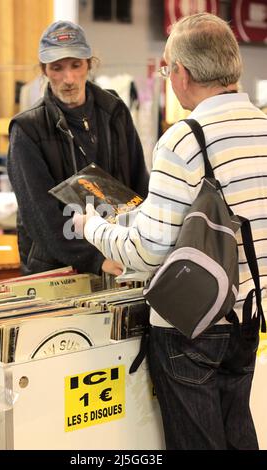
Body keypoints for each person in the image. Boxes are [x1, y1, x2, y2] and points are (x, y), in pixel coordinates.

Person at [73, 13, 267, 450]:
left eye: (167, 68)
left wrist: (93, 228)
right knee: (238, 432)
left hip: (189, 322)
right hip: (248, 314)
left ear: (180, 72)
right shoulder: (263, 129)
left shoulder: (183, 139)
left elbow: (146, 251)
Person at [7, 20, 149, 276]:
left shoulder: (114, 112)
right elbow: (39, 216)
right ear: (44, 70)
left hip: (120, 258)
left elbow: (139, 185)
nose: (68, 78)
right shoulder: (27, 130)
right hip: (56, 271)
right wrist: (94, 260)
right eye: (57, 68)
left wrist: (144, 246)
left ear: (89, 64)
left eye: (76, 65)